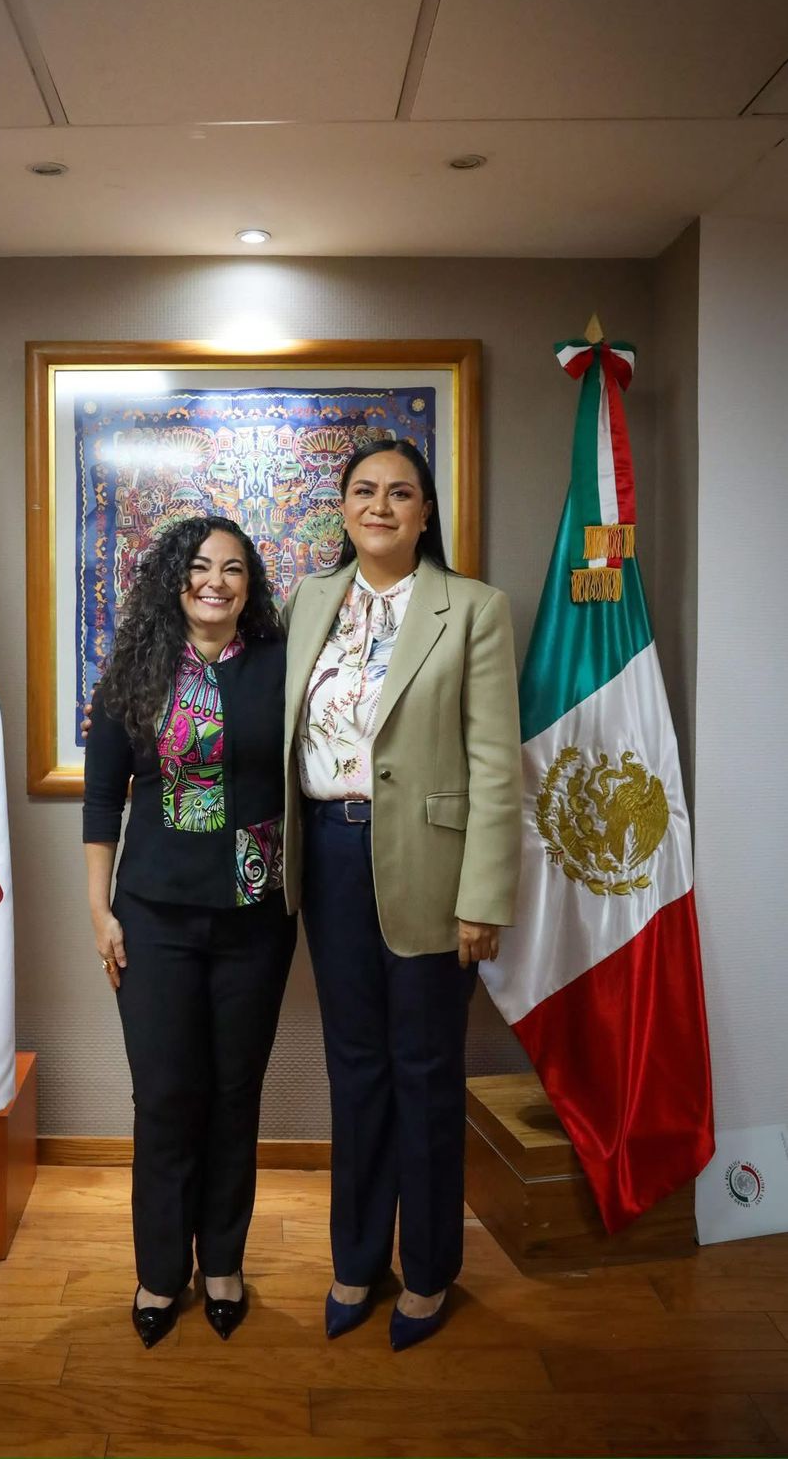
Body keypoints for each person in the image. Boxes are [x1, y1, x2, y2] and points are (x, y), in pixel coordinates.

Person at [281, 439, 522, 1351]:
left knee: (426, 1073)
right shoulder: (307, 603)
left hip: (433, 869)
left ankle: (427, 1272)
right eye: (364, 491)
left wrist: (483, 897)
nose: (380, 506)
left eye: (401, 493)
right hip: (331, 864)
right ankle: (357, 1261)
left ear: (426, 513)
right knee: (357, 1070)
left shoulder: (476, 611)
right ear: (341, 507)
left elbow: (498, 764)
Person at [83, 516, 296, 1348]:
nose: (217, 582)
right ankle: (159, 1272)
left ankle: (224, 1264)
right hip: (155, 920)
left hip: (255, 921)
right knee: (167, 1099)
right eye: (201, 567)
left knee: (234, 1097)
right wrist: (98, 913)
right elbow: (104, 802)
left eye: (234, 570)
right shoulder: (135, 673)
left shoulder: (279, 669)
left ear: (251, 586)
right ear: (175, 578)